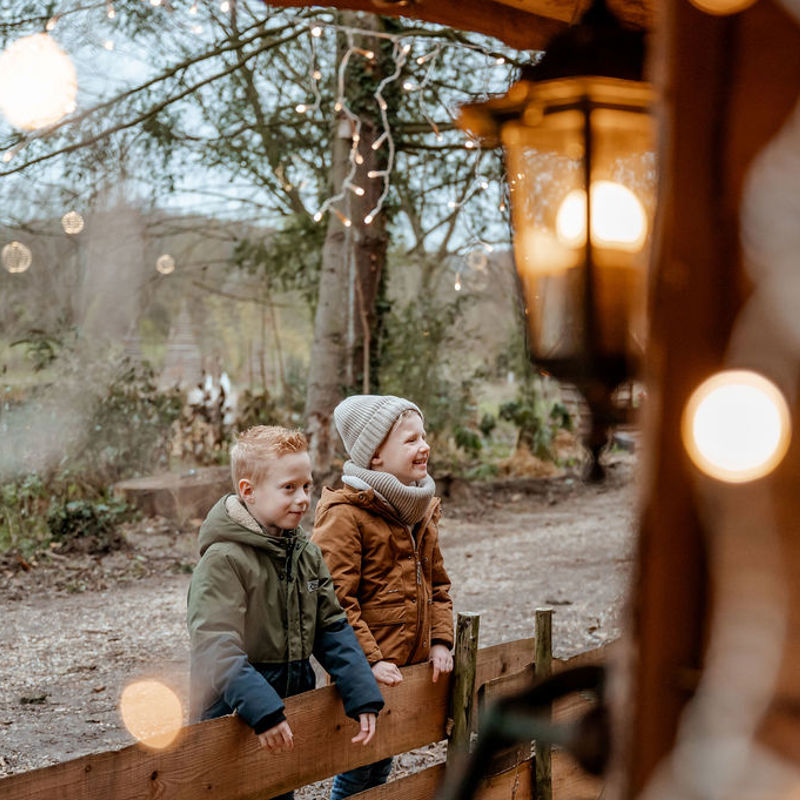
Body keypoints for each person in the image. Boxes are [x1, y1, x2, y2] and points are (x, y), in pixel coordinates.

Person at [187, 425, 384, 800]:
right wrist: (264, 711)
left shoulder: (305, 554)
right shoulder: (224, 561)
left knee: (278, 788)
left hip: (285, 710)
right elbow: (215, 646)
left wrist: (362, 695)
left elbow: (331, 626)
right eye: (288, 488)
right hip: (231, 713)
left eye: (307, 486)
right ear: (248, 491)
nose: (302, 499)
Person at [313, 395, 455, 800]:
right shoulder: (346, 515)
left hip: (404, 672)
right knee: (359, 772)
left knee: (382, 763)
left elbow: (438, 585)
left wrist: (441, 640)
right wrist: (369, 662)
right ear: (375, 455)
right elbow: (335, 601)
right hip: (368, 672)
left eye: (423, 436)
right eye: (411, 440)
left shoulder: (418, 510)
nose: (424, 446)